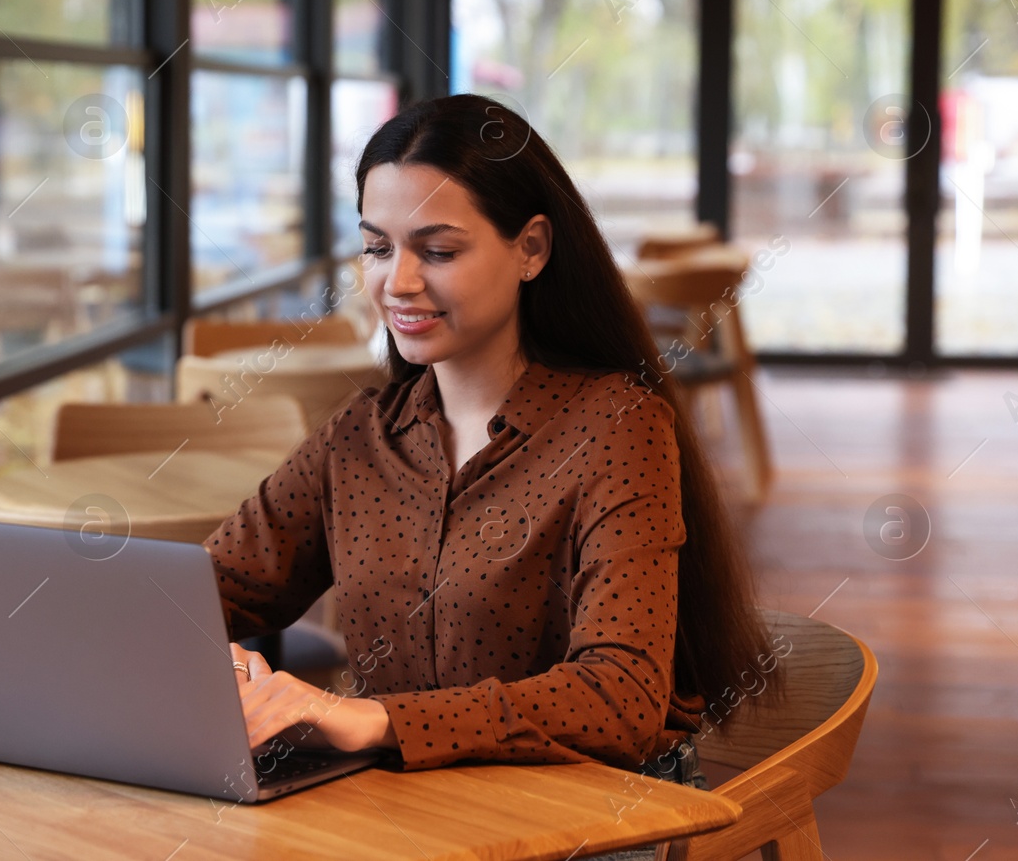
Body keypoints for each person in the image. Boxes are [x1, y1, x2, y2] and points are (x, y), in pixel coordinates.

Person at [204, 95, 767, 839]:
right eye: (377, 247)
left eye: (436, 251)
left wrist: (368, 717)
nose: (397, 282)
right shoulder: (356, 440)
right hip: (409, 818)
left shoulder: (617, 428)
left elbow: (620, 697)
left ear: (531, 248)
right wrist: (205, 658)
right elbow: (202, 592)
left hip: (588, 823)